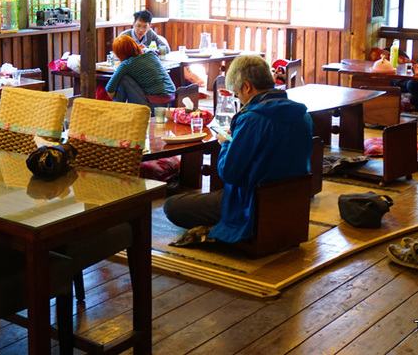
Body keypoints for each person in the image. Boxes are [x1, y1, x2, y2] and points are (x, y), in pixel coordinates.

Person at [163, 55, 313, 244]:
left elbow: (229, 173)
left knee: (172, 206)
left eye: (237, 93)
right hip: (291, 200)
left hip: (251, 202)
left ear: (247, 87)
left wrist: (226, 143)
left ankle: (222, 230)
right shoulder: (303, 114)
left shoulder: (252, 119)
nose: (239, 99)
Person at [105, 35, 175, 112]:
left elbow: (109, 88)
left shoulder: (127, 64)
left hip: (153, 107)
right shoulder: (151, 54)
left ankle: (117, 112)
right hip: (171, 102)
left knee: (124, 79)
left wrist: (117, 98)